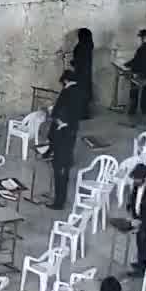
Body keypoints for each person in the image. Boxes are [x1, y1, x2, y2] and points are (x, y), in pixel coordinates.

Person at [49, 69, 87, 209]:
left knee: (59, 169)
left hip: (62, 134)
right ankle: (61, 199)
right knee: (65, 167)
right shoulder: (80, 91)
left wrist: (58, 120)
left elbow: (57, 111)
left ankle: (59, 201)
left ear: (65, 80)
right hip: (71, 132)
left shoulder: (66, 92)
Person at [127, 164, 146, 276]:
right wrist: (131, 209)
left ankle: (142, 269)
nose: (135, 180)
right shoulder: (136, 186)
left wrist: (140, 223)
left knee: (142, 243)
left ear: (144, 178)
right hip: (137, 217)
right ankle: (141, 262)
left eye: (137, 179)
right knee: (139, 243)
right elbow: (134, 199)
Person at [71, 29, 96, 117]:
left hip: (80, 72)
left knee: (80, 92)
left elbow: (79, 60)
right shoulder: (89, 45)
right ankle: (85, 113)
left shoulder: (81, 46)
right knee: (85, 92)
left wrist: (73, 62)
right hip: (86, 72)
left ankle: (82, 113)